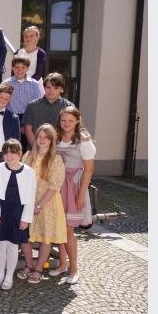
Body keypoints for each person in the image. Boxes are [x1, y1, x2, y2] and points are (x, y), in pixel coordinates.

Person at [52, 106, 96, 284]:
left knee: (69, 229)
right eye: (63, 120)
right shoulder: (56, 137)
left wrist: (80, 195)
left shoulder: (83, 140)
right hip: (57, 186)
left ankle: (74, 268)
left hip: (74, 186)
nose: (66, 123)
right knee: (59, 227)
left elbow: (89, 169)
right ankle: (62, 264)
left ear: (77, 120)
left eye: (70, 120)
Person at [18, 124, 67, 284]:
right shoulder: (27, 156)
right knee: (25, 236)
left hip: (48, 203)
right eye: (39, 136)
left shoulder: (56, 159)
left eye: (46, 137)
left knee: (46, 238)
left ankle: (39, 269)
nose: (42, 140)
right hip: (28, 200)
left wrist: (39, 205)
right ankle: (29, 265)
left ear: (52, 140)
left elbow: (54, 186)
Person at [0, 139, 36, 290]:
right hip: (2, 210)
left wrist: (26, 218)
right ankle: (0, 274)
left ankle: (9, 276)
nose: (10, 156)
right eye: (6, 153)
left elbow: (31, 197)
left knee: (13, 245)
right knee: (1, 244)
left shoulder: (29, 172)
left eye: (13, 152)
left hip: (18, 211)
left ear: (20, 154)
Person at [1, 56, 44, 150]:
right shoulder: (6, 84)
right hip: (11, 118)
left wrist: (29, 124)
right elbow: (2, 103)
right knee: (12, 147)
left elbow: (39, 105)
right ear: (12, 68)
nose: (19, 70)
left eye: (23, 67)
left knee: (29, 148)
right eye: (16, 67)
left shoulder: (34, 84)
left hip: (29, 119)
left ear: (28, 68)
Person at [22, 72, 74, 148]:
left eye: (55, 88)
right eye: (48, 87)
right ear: (44, 87)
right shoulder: (32, 106)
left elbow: (72, 130)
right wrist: (36, 149)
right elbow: (28, 130)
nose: (51, 91)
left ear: (62, 89)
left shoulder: (69, 106)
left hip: (61, 151)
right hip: (35, 150)